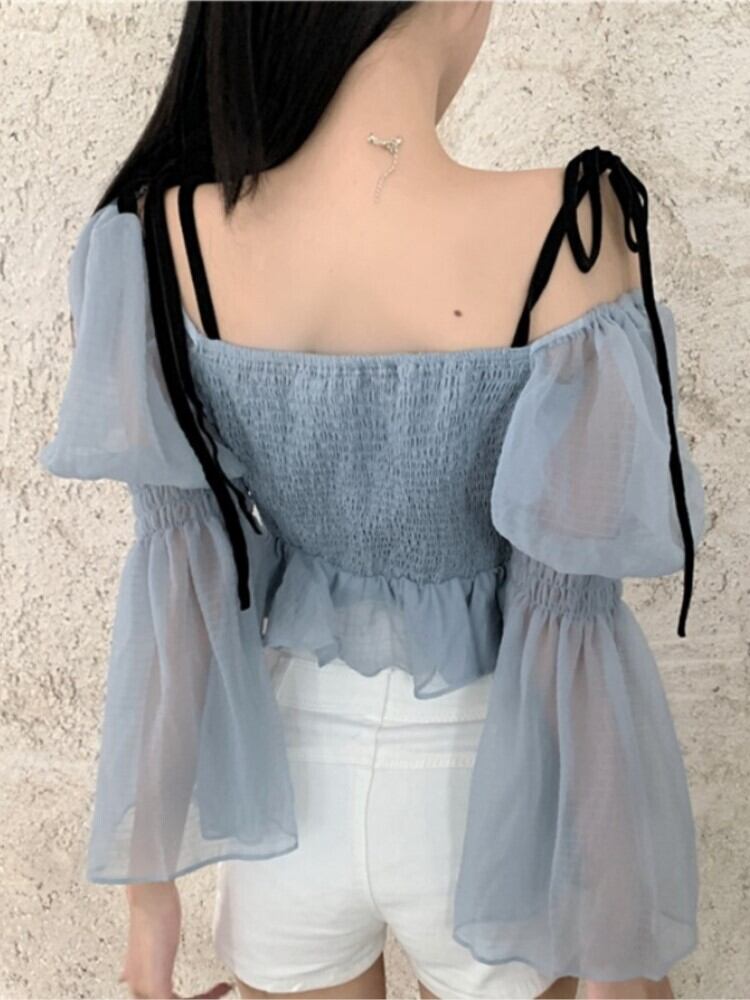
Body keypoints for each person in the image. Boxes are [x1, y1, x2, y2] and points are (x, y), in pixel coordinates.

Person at [38, 2, 707, 999]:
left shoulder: (161, 233)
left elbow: (179, 583)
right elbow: (573, 620)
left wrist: (149, 903)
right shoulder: (573, 225)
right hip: (491, 801)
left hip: (288, 791)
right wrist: (618, 956)